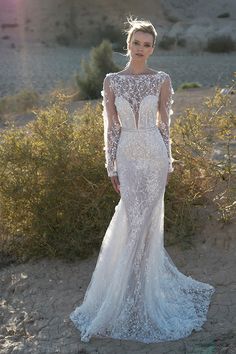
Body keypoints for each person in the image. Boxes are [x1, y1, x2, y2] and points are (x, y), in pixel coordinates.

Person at [69, 17, 215, 344]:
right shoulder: (111, 81)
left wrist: (169, 161)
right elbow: (111, 127)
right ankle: (125, 291)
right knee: (130, 220)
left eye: (147, 45)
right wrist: (111, 167)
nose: (141, 49)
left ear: (152, 49)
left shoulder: (161, 79)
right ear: (128, 44)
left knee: (146, 223)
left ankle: (139, 291)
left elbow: (165, 125)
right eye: (137, 43)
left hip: (154, 154)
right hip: (126, 157)